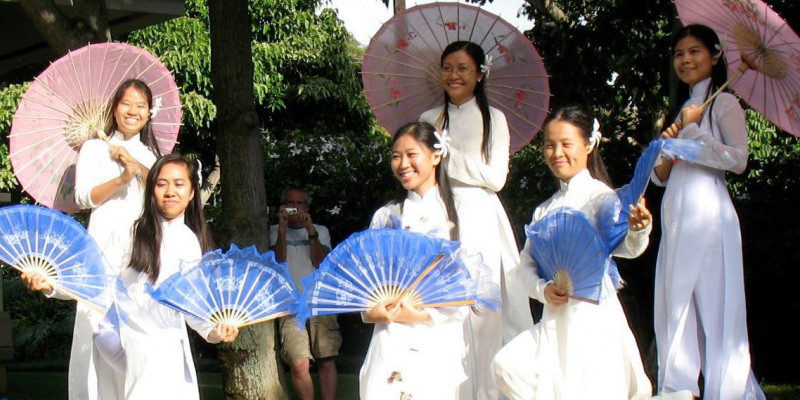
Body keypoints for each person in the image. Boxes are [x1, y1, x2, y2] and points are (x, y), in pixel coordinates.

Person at [491, 106, 658, 400]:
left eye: (566, 144)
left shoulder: (601, 197)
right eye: (549, 145)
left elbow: (626, 248)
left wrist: (638, 229)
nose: (557, 153)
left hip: (594, 317)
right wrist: (543, 289)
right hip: (555, 316)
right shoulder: (544, 209)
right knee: (507, 366)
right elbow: (526, 265)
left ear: (588, 145)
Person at [20, 78, 162, 400]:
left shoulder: (153, 157)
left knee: (138, 341)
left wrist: (137, 166)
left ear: (149, 113)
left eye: (141, 106)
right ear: (115, 108)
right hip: (103, 245)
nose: (133, 111)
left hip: (140, 251)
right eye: (127, 103)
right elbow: (83, 197)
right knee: (96, 328)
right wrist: (121, 177)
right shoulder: (95, 147)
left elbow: (159, 197)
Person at [651, 24, 765, 400]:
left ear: (715, 56)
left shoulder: (723, 104)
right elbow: (660, 177)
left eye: (695, 51)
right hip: (676, 211)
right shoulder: (680, 109)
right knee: (675, 296)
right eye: (680, 54)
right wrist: (665, 152)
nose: (685, 60)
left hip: (710, 212)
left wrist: (697, 130)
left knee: (717, 302)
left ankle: (729, 389)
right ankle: (679, 388)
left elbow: (737, 161)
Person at [419, 40, 533, 399]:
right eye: (448, 67)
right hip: (440, 214)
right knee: (444, 305)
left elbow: (496, 178)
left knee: (483, 309)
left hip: (481, 217)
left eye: (463, 68)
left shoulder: (494, 118)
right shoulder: (427, 120)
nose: (454, 75)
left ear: (480, 75)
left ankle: (488, 390)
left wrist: (450, 154)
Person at [97, 153, 238, 399]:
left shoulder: (190, 241)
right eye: (161, 184)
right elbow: (97, 282)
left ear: (192, 192)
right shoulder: (129, 232)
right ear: (151, 190)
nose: (170, 191)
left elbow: (194, 305)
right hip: (124, 338)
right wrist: (50, 286)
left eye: (179, 184)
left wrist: (216, 331)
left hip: (169, 345)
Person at [362, 121, 469, 400]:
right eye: (396, 156)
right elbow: (365, 282)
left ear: (436, 155)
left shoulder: (460, 212)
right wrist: (372, 312)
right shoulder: (386, 216)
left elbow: (469, 289)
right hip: (389, 338)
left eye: (412, 154)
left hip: (437, 340)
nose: (402, 164)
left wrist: (421, 314)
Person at [269, 187, 341, 400]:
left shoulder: (321, 230)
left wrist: (310, 229)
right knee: (299, 362)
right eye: (290, 203)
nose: (294, 208)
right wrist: (282, 230)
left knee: (326, 359)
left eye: (299, 204)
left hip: (319, 301)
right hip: (290, 303)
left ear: (307, 207)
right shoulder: (274, 230)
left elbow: (320, 262)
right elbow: (278, 262)